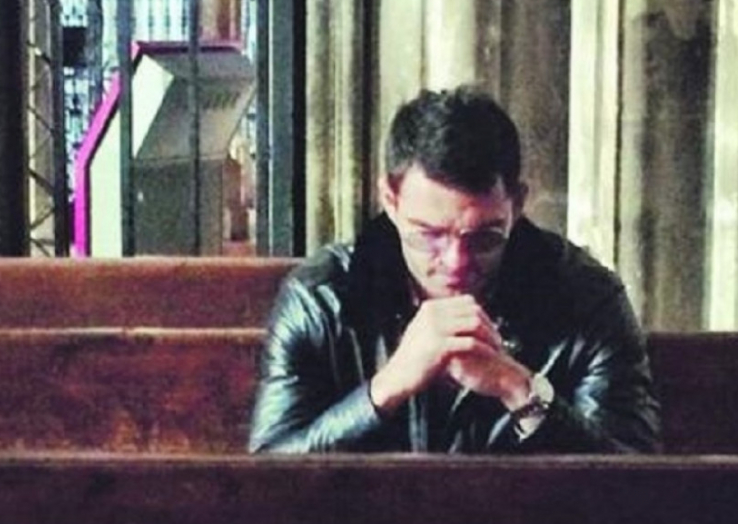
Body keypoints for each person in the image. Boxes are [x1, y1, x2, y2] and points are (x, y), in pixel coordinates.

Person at [248, 85, 661, 453]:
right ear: (390, 200)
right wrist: (387, 388)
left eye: (484, 238)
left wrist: (519, 389)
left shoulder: (586, 299)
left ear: (517, 204)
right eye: (428, 235)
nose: (456, 263)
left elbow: (634, 485)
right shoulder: (321, 299)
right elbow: (268, 480)